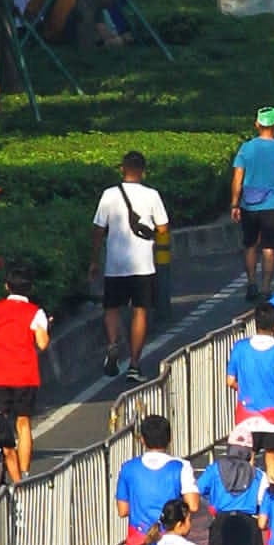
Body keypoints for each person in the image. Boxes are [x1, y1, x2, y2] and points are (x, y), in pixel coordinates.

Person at [94, 151, 172, 381]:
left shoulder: (109, 195)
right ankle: (135, 365)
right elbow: (163, 227)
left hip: (115, 264)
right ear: (143, 171)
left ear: (122, 169)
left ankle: (112, 343)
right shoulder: (152, 195)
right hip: (143, 265)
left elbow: (98, 229)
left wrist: (93, 260)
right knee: (140, 311)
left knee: (111, 308)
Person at [0, 280, 51, 482]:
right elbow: (42, 343)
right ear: (30, 288)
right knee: (23, 424)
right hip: (25, 375)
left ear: (7, 286)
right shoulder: (35, 312)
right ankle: (23, 474)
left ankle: (0, 468)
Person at [230, 104, 274, 295]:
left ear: (256, 124)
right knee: (269, 247)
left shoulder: (246, 149)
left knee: (250, 245)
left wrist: (235, 202)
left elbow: (237, 177)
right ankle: (266, 286)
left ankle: (251, 282)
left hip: (248, 205)